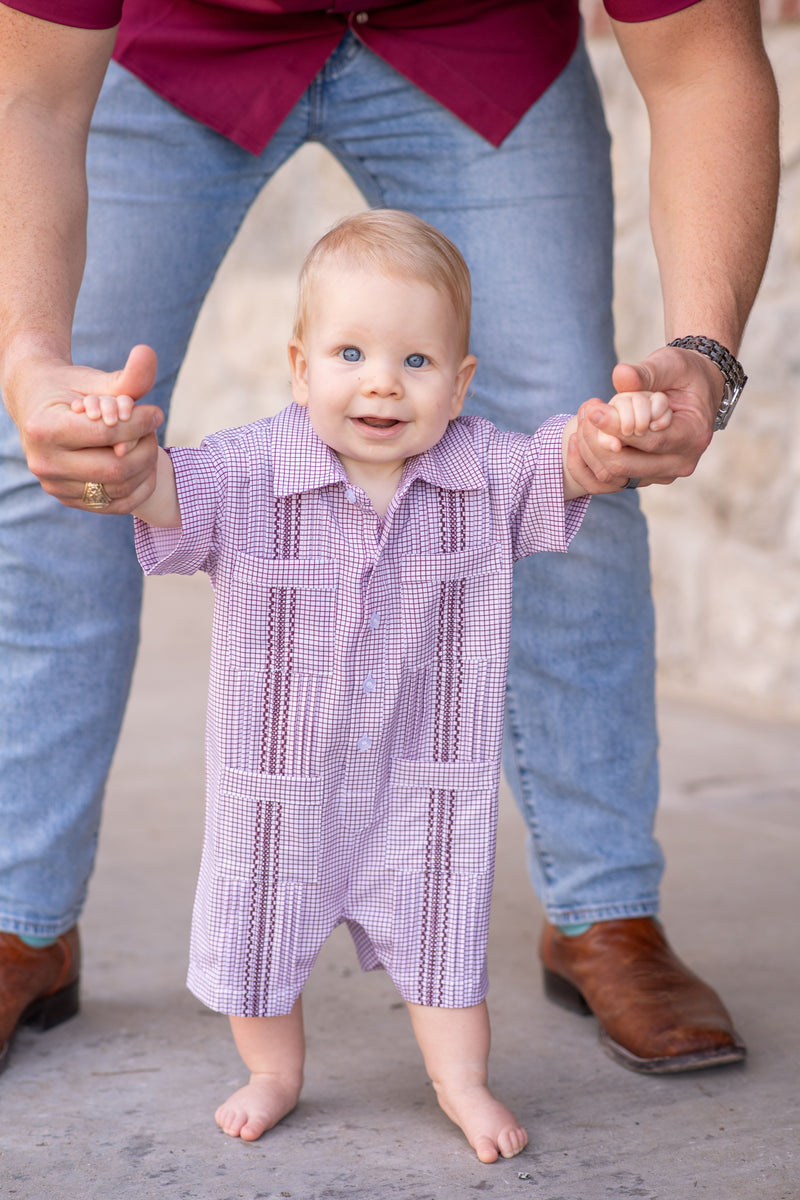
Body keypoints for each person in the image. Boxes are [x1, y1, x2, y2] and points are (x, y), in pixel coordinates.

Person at [0, 0, 779, 1078]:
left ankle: (605, 911)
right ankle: (19, 917)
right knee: (65, 446)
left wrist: (703, 353)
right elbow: (29, 95)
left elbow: (700, 62)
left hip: (478, 40)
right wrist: (31, 357)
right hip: (178, 47)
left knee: (581, 436)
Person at [72, 210, 673, 1158]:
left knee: (441, 933)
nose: (383, 382)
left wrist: (608, 435)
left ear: (460, 382)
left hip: (421, 779)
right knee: (262, 936)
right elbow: (167, 497)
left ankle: (462, 1081)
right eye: (350, 352)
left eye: (417, 362)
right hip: (281, 783)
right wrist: (128, 461)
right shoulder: (249, 469)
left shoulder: (480, 471)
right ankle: (273, 1072)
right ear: (301, 366)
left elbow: (561, 464)